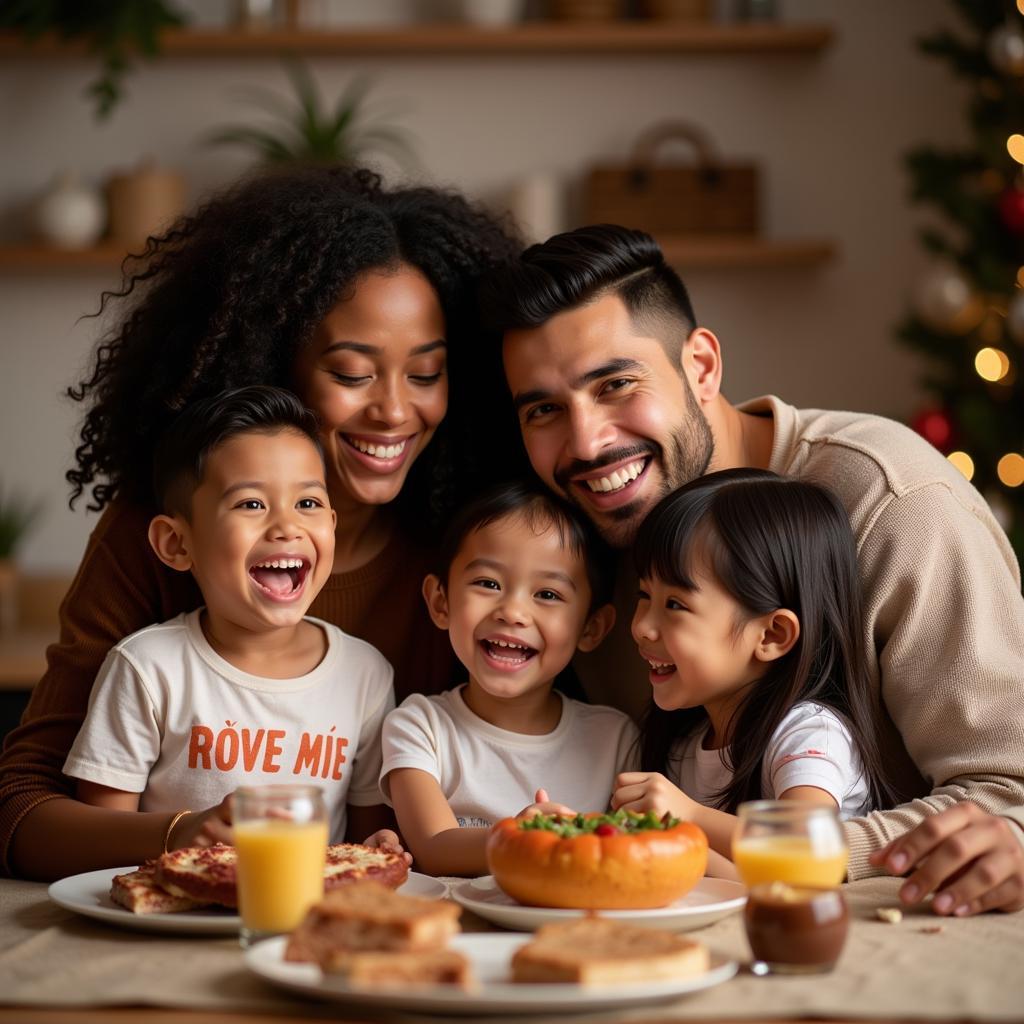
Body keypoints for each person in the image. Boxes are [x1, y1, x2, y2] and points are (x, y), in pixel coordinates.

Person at [480, 224, 1024, 914]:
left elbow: (1007, 791)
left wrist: (816, 853)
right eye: (544, 411)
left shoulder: (891, 502)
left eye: (616, 384)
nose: (586, 442)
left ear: (702, 365)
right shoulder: (574, 536)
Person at [0, 166, 522, 880]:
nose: (396, 412)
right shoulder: (152, 535)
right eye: (352, 372)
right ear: (279, 369)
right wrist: (184, 835)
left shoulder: (472, 551)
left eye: (425, 375)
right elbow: (22, 806)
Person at [62, 387, 400, 860]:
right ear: (177, 544)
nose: (287, 527)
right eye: (251, 504)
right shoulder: (147, 668)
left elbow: (361, 842)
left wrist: (380, 845)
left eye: (308, 504)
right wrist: (182, 834)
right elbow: (104, 843)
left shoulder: (366, 674)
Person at [610, 469, 894, 873]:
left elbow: (807, 854)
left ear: (772, 635)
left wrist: (688, 818)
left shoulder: (808, 734)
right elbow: (732, 879)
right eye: (644, 595)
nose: (640, 626)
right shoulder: (685, 743)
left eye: (675, 604)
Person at [379, 481, 636, 877]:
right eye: (488, 584)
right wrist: (524, 839)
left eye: (548, 594)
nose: (513, 611)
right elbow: (434, 848)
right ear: (440, 601)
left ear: (591, 628)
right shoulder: (419, 725)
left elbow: (626, 856)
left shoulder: (615, 738)